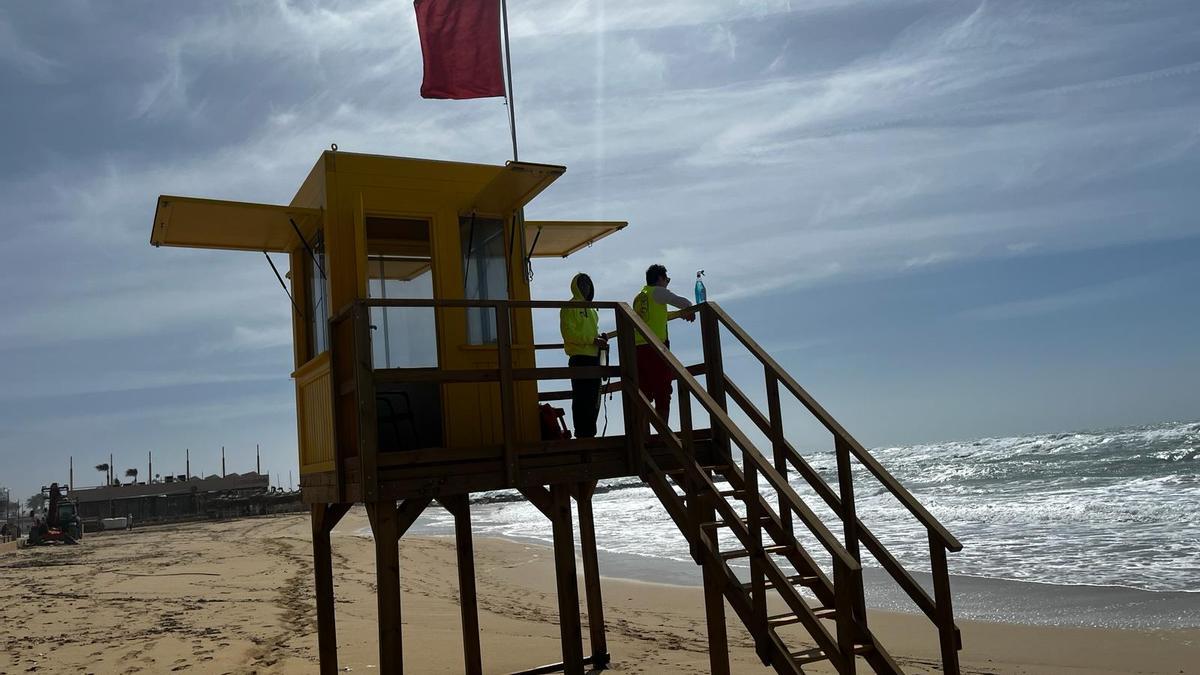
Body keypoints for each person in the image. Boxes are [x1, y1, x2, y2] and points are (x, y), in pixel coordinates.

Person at [633, 264, 694, 423]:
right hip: (655, 347)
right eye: (667, 280)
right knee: (663, 389)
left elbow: (655, 316)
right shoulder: (658, 292)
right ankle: (663, 432)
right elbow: (684, 302)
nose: (667, 283)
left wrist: (679, 314)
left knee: (644, 392)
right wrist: (688, 310)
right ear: (660, 278)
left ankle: (642, 433)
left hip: (637, 349)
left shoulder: (640, 296)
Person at [560, 272, 606, 438]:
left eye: (588, 283)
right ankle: (582, 435)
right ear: (576, 287)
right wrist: (593, 340)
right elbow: (569, 334)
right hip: (579, 358)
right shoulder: (569, 307)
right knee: (581, 398)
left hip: (594, 358)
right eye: (582, 284)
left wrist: (599, 338)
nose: (586, 287)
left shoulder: (592, 309)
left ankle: (590, 434)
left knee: (594, 398)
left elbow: (590, 333)